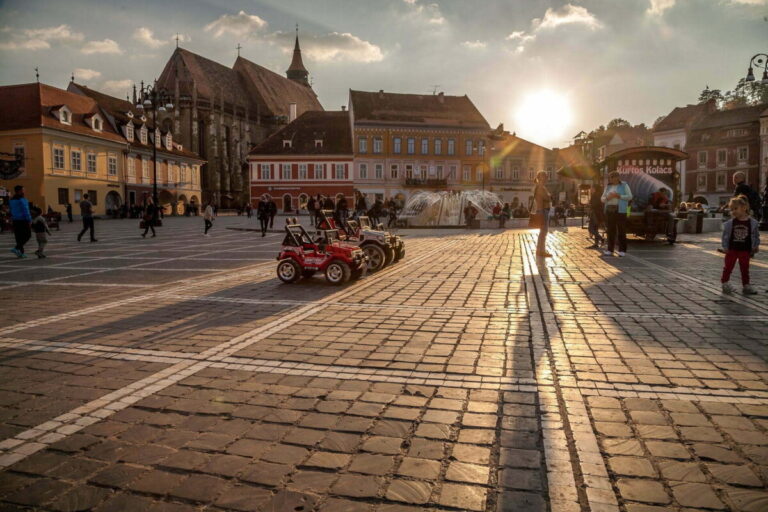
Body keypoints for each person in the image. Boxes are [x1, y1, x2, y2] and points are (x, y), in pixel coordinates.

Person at [720, 195, 759, 295]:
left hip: (745, 250)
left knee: (745, 268)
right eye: (731, 209)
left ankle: (746, 285)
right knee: (728, 267)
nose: (733, 211)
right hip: (732, 249)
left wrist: (755, 246)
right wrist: (725, 247)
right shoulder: (730, 223)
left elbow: (755, 236)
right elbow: (725, 236)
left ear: (744, 208)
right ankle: (725, 283)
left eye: (735, 209)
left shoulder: (752, 223)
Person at [601, 170, 633, 257]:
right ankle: (610, 250)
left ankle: (622, 250)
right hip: (609, 210)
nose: (611, 179)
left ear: (617, 178)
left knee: (621, 230)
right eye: (610, 178)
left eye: (613, 177)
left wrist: (619, 196)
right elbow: (602, 199)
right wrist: (608, 197)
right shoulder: (608, 187)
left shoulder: (624, 185)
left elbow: (630, 196)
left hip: (620, 210)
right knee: (610, 230)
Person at [9, 185, 32, 258]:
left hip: (15, 220)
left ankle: (21, 253)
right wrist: (29, 219)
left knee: (18, 237)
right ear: (19, 191)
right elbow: (26, 210)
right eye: (23, 190)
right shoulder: (22, 200)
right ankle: (16, 248)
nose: (24, 191)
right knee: (28, 235)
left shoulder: (11, 200)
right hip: (23, 220)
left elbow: (11, 210)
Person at [533, 170, 552, 257]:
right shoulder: (541, 187)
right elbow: (547, 198)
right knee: (544, 232)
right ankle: (541, 251)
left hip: (541, 210)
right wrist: (549, 196)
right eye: (546, 177)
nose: (547, 178)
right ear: (541, 177)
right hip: (543, 210)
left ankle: (540, 250)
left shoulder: (539, 186)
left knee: (543, 232)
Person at [588, 183, 605, 248]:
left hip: (595, 214)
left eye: (592, 187)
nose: (591, 189)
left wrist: (590, 205)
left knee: (591, 229)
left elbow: (595, 204)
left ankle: (601, 239)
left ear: (594, 188)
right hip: (598, 214)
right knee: (595, 229)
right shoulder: (600, 194)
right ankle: (596, 244)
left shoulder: (595, 195)